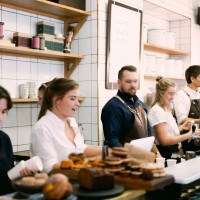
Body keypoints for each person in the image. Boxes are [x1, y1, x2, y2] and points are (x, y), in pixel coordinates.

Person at [30, 78, 102, 173]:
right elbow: (49, 167)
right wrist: (87, 163)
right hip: (57, 185)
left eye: (78, 99)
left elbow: (80, 148)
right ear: (57, 99)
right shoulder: (42, 128)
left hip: (78, 181)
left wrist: (107, 152)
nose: (78, 104)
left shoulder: (71, 121)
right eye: (73, 98)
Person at [101, 65, 160, 155]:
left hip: (143, 159)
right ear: (119, 83)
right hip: (123, 163)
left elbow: (149, 136)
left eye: (135, 81)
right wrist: (128, 160)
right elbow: (113, 141)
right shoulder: (112, 107)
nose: (133, 85)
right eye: (128, 82)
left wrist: (157, 154)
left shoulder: (141, 105)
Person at [148, 76, 200, 159]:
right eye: (170, 93)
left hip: (173, 151)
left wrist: (181, 128)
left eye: (174, 93)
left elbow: (168, 132)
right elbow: (164, 141)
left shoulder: (167, 109)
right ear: (161, 93)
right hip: (164, 152)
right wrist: (190, 134)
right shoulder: (157, 111)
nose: (173, 97)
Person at [0, 86, 31, 195]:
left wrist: (21, 176)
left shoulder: (4, 139)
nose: (1, 118)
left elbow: (7, 180)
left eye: (4, 112)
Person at [173, 65, 200, 152]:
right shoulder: (180, 95)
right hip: (188, 140)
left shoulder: (199, 92)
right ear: (192, 79)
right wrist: (198, 120)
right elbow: (182, 120)